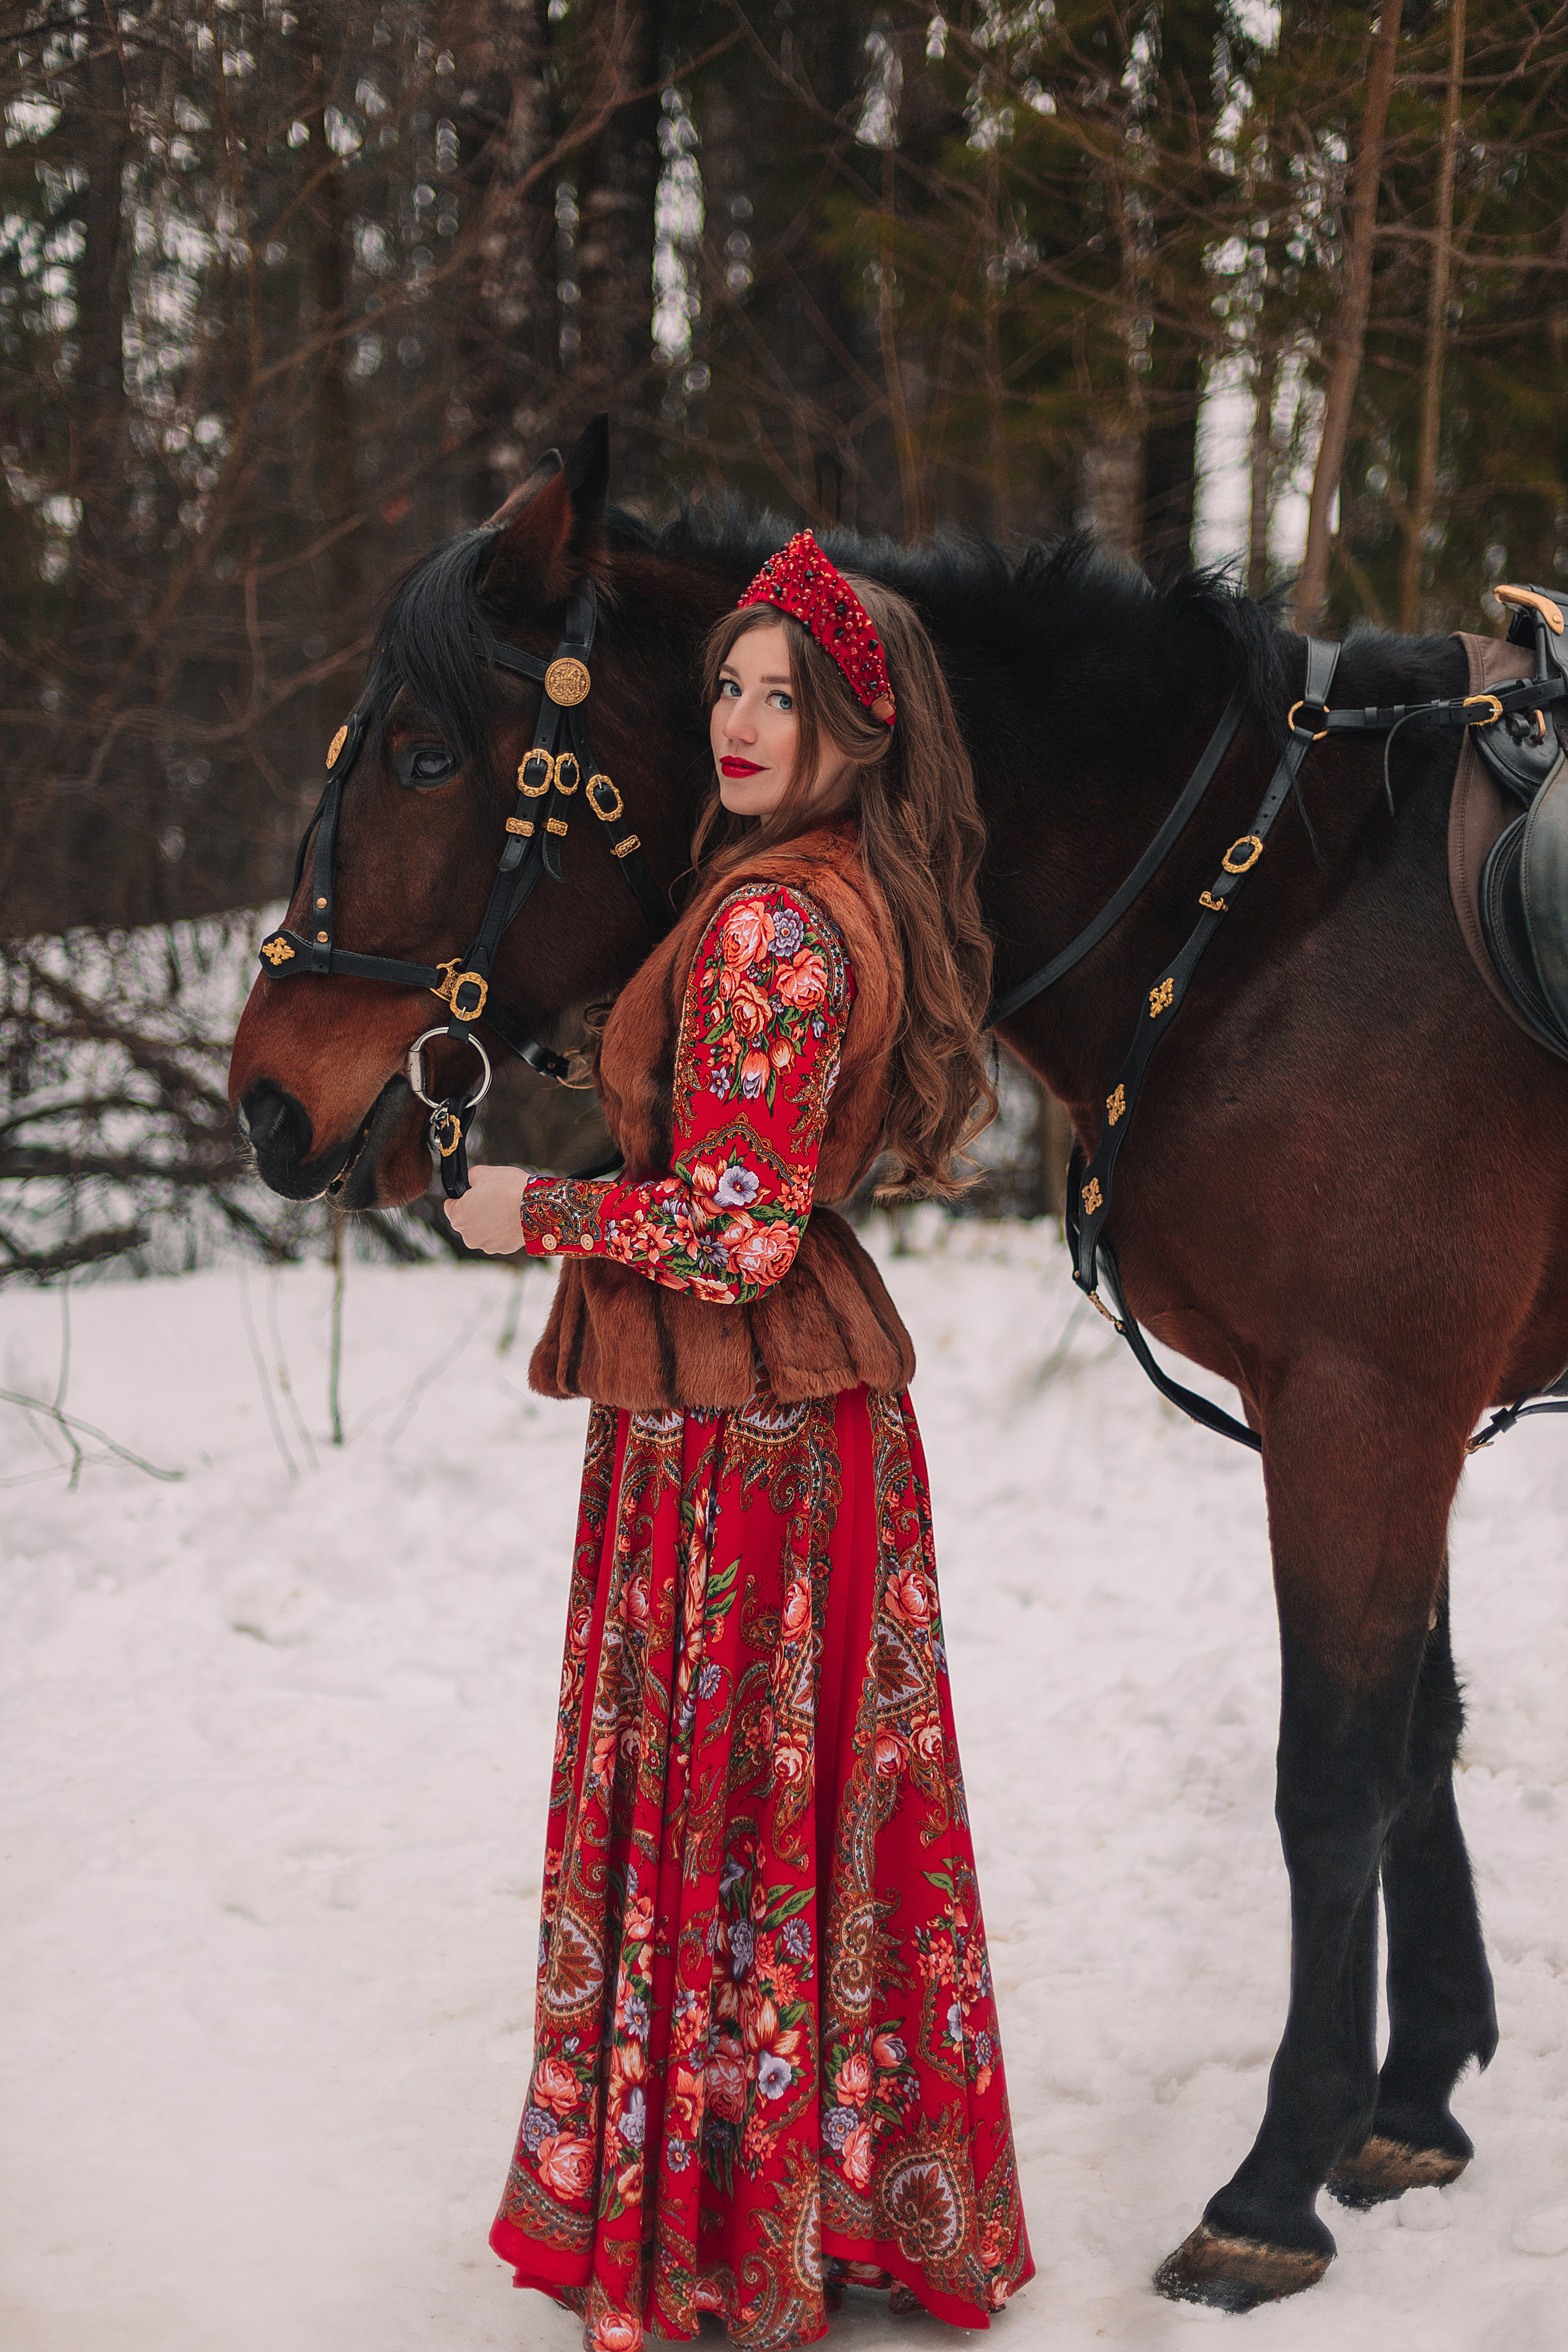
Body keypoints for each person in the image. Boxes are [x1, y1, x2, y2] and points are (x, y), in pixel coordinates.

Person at [447, 533, 1035, 2349]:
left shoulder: (778, 920)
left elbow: (736, 1229)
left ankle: (732, 2228)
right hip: (763, 1423)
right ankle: (804, 2195)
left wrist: (535, 1213)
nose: (744, 718)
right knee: (796, 1823)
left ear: (858, 729)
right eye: (730, 684)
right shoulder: (793, 887)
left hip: (753, 1445)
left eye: (788, 694)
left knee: (749, 1813)